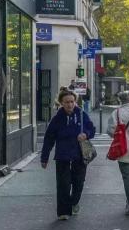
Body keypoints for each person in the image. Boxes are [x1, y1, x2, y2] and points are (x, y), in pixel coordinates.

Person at [40, 90, 97, 221]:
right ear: (61, 103)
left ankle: (74, 202)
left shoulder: (82, 115)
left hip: (79, 155)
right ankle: (63, 212)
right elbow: (49, 138)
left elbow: (92, 129)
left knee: (79, 183)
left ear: (75, 102)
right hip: (62, 156)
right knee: (63, 184)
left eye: (72, 102)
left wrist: (86, 134)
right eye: (67, 102)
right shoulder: (57, 119)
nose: (70, 105)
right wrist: (44, 157)